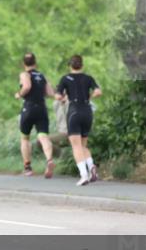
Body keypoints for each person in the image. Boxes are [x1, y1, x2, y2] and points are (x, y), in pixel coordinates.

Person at [55, 54, 102, 186]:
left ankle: (84, 175)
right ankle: (91, 166)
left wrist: (64, 98)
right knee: (82, 145)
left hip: (74, 112)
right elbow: (98, 91)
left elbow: (58, 95)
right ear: (82, 65)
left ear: (70, 65)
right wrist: (90, 97)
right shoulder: (88, 78)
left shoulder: (65, 78)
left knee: (76, 146)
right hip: (87, 111)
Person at [15, 52, 56, 178]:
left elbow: (26, 86)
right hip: (41, 108)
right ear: (35, 63)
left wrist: (19, 94)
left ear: (23, 64)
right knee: (43, 136)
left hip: (29, 107)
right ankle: (49, 160)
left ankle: (27, 168)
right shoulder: (42, 76)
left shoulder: (24, 74)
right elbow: (50, 92)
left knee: (25, 138)